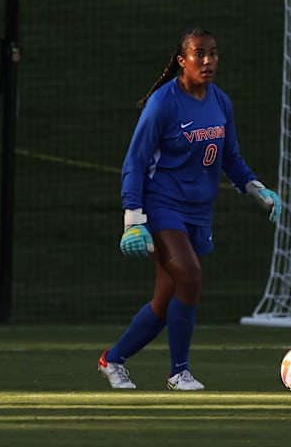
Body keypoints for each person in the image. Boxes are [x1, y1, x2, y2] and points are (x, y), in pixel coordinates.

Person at [98, 28, 281, 390]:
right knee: (191, 276)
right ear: (182, 61)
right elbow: (134, 161)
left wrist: (257, 189)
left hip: (199, 211)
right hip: (162, 206)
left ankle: (112, 360)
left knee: (166, 302)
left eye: (213, 53)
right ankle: (178, 372)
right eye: (199, 54)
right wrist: (133, 219)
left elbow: (230, 157)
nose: (208, 61)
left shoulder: (221, 102)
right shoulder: (163, 103)